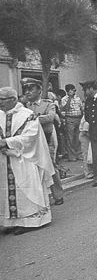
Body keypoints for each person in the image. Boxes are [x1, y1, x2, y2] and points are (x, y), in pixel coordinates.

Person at [0, 87, 54, 234]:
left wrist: (7, 142)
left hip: (24, 159)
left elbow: (31, 136)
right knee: (7, 190)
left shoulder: (27, 115)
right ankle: (13, 221)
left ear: (13, 99)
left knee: (24, 189)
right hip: (5, 160)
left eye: (3, 99)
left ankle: (29, 220)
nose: (0, 102)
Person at [22, 78, 64, 205]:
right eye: (26, 90)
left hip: (46, 138)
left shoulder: (48, 104)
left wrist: (32, 119)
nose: (28, 92)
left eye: (31, 89)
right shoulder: (23, 106)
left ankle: (58, 195)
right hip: (30, 141)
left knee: (50, 166)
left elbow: (50, 117)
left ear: (39, 90)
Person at [60, 84, 83, 162]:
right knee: (70, 138)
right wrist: (69, 98)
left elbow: (81, 107)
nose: (74, 92)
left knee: (78, 137)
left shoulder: (77, 98)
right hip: (70, 118)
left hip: (78, 118)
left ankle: (79, 154)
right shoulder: (64, 99)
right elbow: (65, 108)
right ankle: (72, 156)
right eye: (73, 90)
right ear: (68, 91)